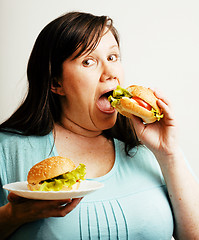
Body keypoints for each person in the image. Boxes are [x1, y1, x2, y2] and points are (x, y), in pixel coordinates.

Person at [0, 11, 198, 240]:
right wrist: (12, 216)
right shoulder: (7, 150)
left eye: (113, 57)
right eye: (89, 61)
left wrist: (169, 153)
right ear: (56, 83)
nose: (111, 72)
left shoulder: (150, 147)